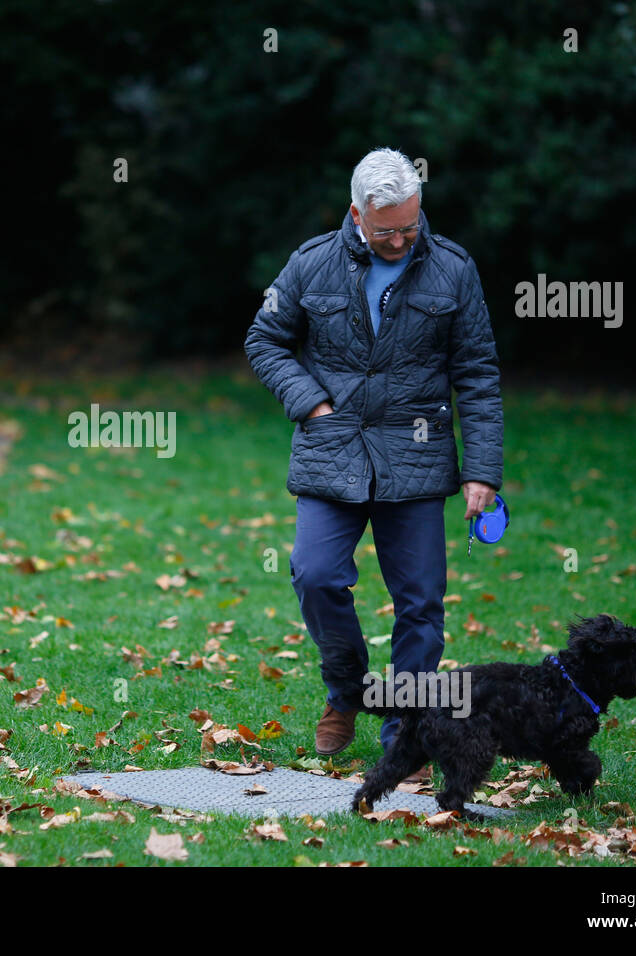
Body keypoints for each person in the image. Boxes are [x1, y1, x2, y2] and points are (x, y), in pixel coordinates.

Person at [244, 147, 503, 782]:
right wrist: (312, 404)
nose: (399, 240)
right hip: (331, 452)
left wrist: (482, 472)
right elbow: (265, 339)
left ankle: (406, 735)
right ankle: (347, 690)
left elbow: (476, 373)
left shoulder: (452, 269)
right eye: (385, 229)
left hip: (416, 458)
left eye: (409, 227)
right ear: (357, 213)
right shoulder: (312, 263)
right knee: (315, 575)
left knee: (420, 602)